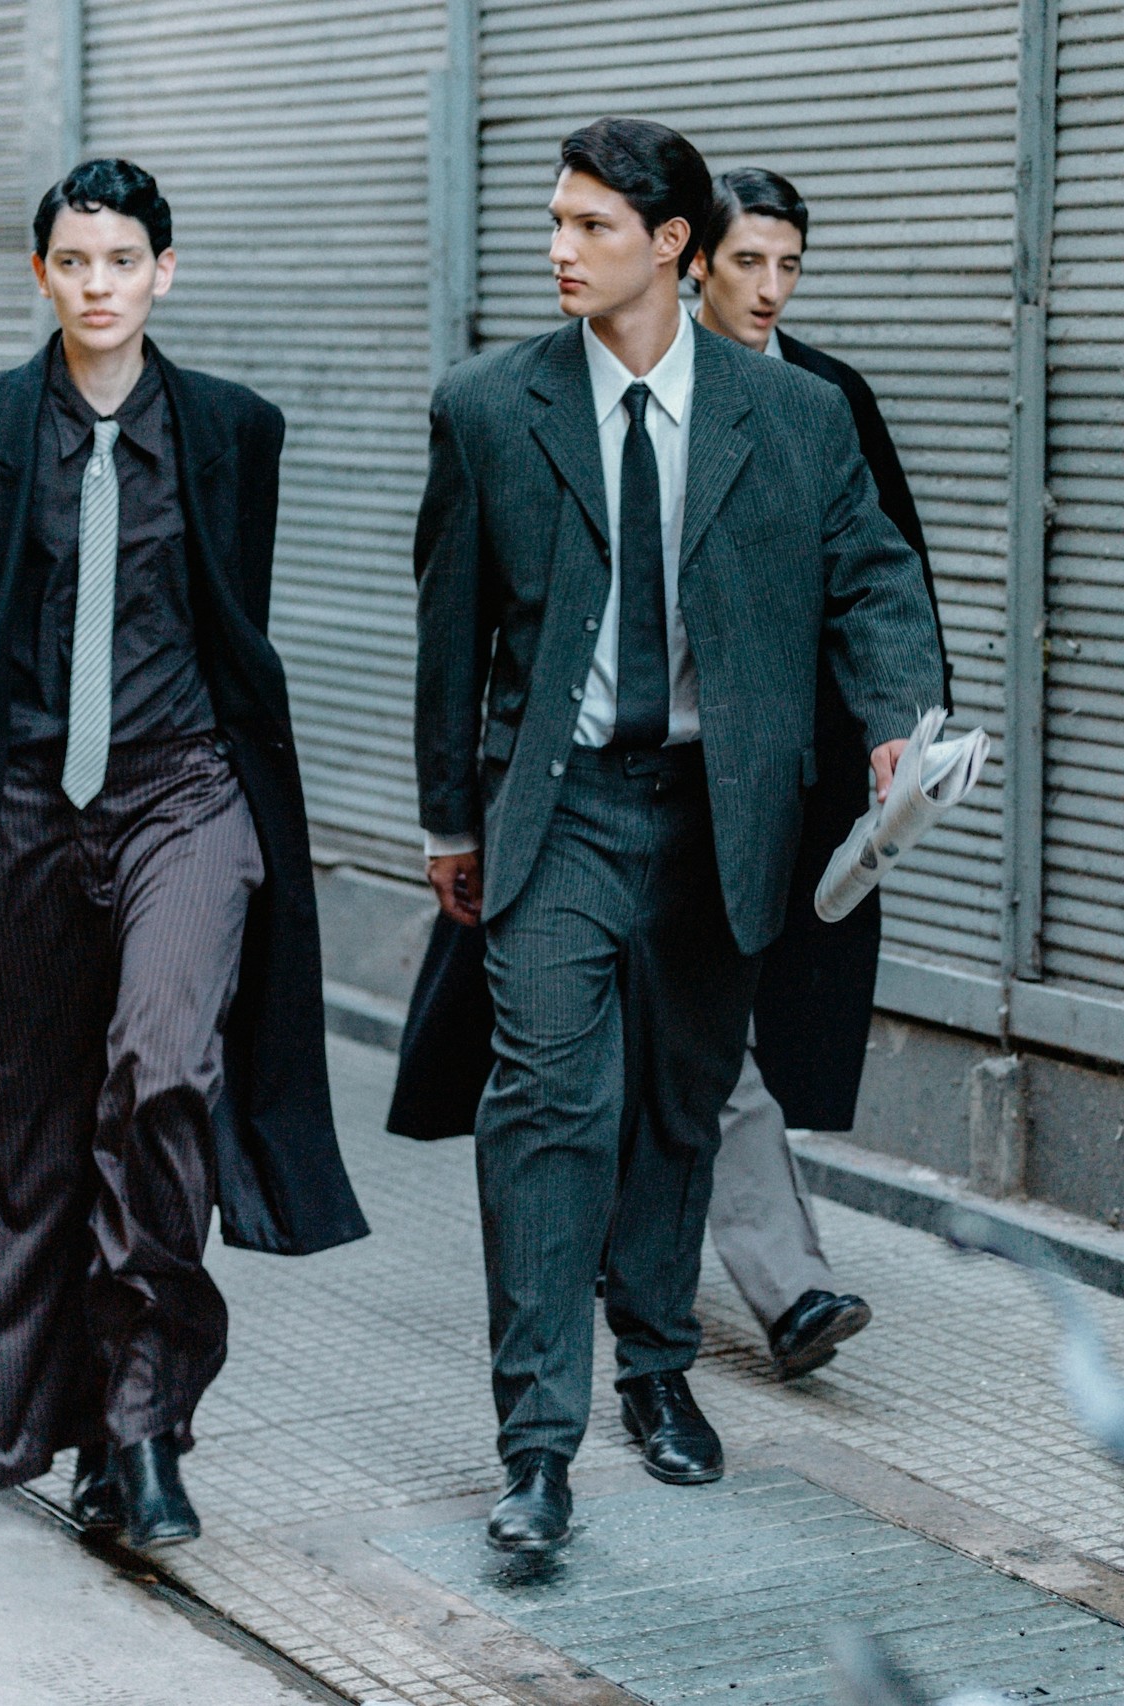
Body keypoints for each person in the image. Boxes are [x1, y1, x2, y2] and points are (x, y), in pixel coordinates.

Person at [411, 116, 944, 1555]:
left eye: (588, 226)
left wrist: (900, 713)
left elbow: (875, 581)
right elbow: (446, 633)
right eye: (555, 221)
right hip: (565, 805)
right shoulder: (487, 406)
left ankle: (656, 1370)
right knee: (549, 1109)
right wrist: (448, 819)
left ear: (671, 248)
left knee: (678, 1108)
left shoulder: (800, 419)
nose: (556, 249)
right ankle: (536, 1445)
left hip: (724, 810)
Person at [0, 159, 368, 1548]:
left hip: (184, 792)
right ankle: (76, 1427)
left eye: (122, 260)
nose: (97, 285)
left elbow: (227, 629)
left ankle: (144, 1432)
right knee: (30, 1130)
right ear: (41, 276)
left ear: (164, 272)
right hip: (18, 804)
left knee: (165, 1072)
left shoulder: (232, 431)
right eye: (73, 262)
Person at [689, 165, 951, 1371]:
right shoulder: (619, 386)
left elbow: (881, 569)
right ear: (693, 259)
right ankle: (783, 1282)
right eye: (748, 261)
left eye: (788, 265)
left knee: (715, 1017)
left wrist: (896, 717)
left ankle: (657, 1232)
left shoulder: (825, 398)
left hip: (789, 772)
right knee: (683, 1018)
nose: (769, 288)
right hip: (642, 772)